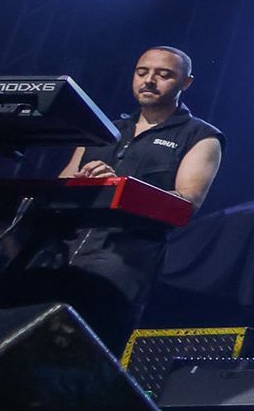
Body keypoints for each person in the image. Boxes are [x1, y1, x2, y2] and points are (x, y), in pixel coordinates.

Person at [38, 46, 223, 353]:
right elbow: (60, 185)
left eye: (163, 75)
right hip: (62, 247)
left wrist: (118, 187)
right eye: (142, 72)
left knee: (89, 347)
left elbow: (186, 204)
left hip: (124, 257)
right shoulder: (103, 128)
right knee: (31, 334)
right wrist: (81, 181)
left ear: (185, 83)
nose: (149, 80)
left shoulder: (201, 136)